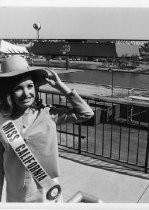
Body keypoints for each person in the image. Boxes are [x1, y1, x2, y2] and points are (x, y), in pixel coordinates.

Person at [0, 55, 94, 202]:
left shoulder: (48, 114)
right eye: (18, 88)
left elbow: (86, 113)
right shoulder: (2, 121)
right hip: (17, 196)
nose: (26, 93)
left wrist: (61, 87)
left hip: (48, 192)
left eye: (30, 86)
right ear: (9, 92)